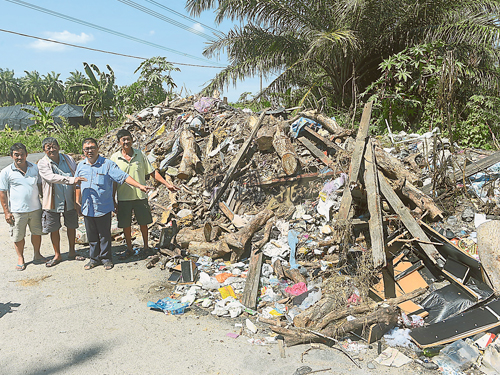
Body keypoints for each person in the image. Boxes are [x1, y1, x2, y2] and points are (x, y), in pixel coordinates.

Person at [75, 138, 151, 270]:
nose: (90, 151)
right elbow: (77, 184)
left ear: (98, 148)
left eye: (92, 147)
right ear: (83, 151)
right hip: (88, 207)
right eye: (87, 149)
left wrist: (139, 185)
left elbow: (123, 176)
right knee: (92, 236)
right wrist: (77, 201)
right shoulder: (81, 165)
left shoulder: (107, 164)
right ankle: (94, 259)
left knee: (104, 235)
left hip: (103, 206)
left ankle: (106, 259)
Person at [110, 129, 178, 258]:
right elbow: (113, 180)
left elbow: (152, 172)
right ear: (119, 142)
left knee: (144, 223)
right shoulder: (115, 158)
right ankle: (129, 248)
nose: (126, 142)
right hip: (124, 197)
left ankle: (146, 247)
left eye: (128, 139)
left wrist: (167, 184)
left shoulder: (140, 155)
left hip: (141, 197)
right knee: (125, 225)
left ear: (132, 139)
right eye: (123, 140)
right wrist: (113, 199)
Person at [38, 137, 88, 267]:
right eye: (48, 147)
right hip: (52, 201)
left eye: (54, 146)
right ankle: (57, 255)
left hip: (69, 199)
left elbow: (77, 173)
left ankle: (72, 252)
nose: (51, 149)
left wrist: (78, 198)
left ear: (59, 147)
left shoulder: (68, 159)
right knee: (54, 228)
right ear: (44, 150)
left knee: (72, 226)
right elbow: (51, 177)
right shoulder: (42, 163)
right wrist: (72, 180)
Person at [0, 143, 46, 270]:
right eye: (16, 155)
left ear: (27, 154)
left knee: (36, 233)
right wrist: (6, 212)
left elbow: (41, 186)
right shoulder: (6, 172)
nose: (19, 157)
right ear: (11, 156)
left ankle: (37, 254)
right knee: (18, 236)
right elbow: (2, 193)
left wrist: (46, 204)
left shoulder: (35, 168)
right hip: (17, 211)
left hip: (36, 208)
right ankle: (21, 258)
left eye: (22, 154)